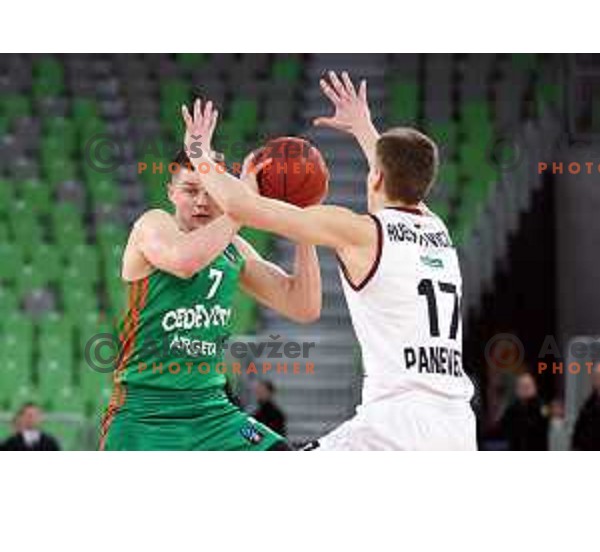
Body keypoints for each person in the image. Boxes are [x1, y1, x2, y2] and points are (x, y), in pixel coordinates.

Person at [187, 71, 477, 450]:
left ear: (374, 177)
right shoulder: (437, 229)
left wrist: (197, 152)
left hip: (394, 429)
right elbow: (401, 172)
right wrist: (363, 125)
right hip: (457, 425)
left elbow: (240, 205)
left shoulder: (360, 231)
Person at [99, 100, 322, 451]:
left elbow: (303, 305)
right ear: (171, 193)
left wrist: (305, 222)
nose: (202, 201)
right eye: (190, 190)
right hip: (145, 413)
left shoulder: (234, 248)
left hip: (212, 412)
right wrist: (241, 204)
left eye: (211, 190)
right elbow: (185, 260)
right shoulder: (152, 224)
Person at [501, 372, 548, 451]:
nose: (525, 390)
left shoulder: (541, 407)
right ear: (516, 389)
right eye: (522, 387)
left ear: (534, 388)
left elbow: (542, 425)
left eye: (528, 386)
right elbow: (505, 428)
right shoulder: (511, 409)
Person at [571, 363, 600, 451]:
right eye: (594, 376)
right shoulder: (589, 403)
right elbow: (579, 429)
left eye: (598, 376)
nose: (595, 379)